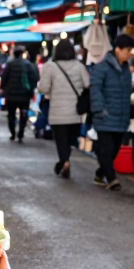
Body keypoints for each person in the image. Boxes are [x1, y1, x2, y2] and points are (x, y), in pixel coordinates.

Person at [37, 38, 90, 178]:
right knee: (70, 140)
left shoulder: (50, 66)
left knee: (61, 140)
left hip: (57, 112)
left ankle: (64, 161)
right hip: (75, 112)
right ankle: (64, 160)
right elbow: (87, 84)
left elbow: (43, 89)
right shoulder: (79, 66)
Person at [90, 34, 134, 190]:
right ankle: (112, 179)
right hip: (105, 116)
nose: (130, 53)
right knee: (107, 149)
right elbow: (95, 90)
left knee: (114, 150)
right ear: (118, 49)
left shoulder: (126, 69)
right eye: (128, 50)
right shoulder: (101, 67)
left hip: (121, 117)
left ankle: (100, 173)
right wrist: (100, 110)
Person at [0, 48, 38, 142]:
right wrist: (31, 91)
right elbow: (34, 79)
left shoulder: (10, 65)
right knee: (24, 114)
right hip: (24, 97)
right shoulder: (28, 65)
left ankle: (13, 133)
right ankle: (21, 133)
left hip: (11, 96)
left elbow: (4, 78)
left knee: (11, 114)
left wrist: (4, 89)